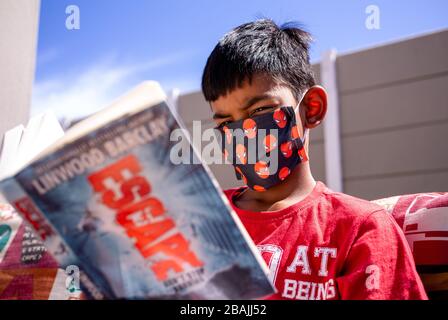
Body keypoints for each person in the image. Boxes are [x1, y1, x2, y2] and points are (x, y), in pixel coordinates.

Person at [200, 19, 427, 300]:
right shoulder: (203, 218)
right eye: (225, 122)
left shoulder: (360, 229)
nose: (243, 132)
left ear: (311, 108)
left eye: (259, 111)